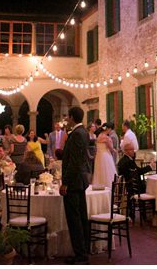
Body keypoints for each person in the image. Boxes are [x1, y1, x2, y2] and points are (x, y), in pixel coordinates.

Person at [61, 106, 91, 265]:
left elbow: (75, 162)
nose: (67, 119)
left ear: (72, 117)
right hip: (80, 180)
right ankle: (84, 251)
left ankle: (80, 254)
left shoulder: (77, 134)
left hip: (74, 182)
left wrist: (65, 182)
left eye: (68, 116)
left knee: (75, 219)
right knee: (81, 217)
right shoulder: (83, 132)